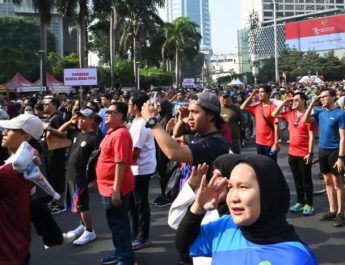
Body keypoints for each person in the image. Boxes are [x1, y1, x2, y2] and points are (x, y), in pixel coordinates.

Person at [175, 154, 319, 265]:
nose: (233, 198)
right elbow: (184, 246)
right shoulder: (225, 226)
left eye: (243, 187)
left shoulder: (296, 257)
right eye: (230, 187)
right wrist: (198, 208)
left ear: (267, 193)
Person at [96, 102, 135, 265]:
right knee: (115, 223)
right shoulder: (112, 132)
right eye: (106, 112)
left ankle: (125, 258)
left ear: (120, 116)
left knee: (119, 224)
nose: (106, 114)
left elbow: (121, 162)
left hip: (114, 188)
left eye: (111, 112)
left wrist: (116, 190)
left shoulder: (120, 135)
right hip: (107, 186)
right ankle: (120, 251)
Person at [302, 89, 345, 227]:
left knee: (338, 182)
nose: (322, 99)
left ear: (333, 97)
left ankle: (340, 213)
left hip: (334, 152)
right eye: (321, 97)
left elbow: (343, 138)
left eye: (325, 96)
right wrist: (312, 103)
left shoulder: (340, 114)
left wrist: (341, 157)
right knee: (327, 181)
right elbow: (304, 120)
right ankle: (332, 210)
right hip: (322, 150)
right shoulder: (319, 112)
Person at [272, 92, 315, 215]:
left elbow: (311, 136)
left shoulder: (309, 117)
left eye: (297, 100)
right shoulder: (290, 114)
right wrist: (284, 103)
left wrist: (310, 153)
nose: (294, 102)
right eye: (293, 100)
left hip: (304, 154)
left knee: (306, 180)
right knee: (297, 180)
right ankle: (300, 202)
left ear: (303, 101)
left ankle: (309, 204)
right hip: (292, 153)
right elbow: (274, 114)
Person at [61, 108, 99, 245]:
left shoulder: (94, 137)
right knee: (76, 204)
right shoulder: (76, 134)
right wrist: (70, 122)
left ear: (91, 120)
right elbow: (60, 132)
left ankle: (89, 231)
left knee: (82, 205)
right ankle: (82, 225)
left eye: (84, 118)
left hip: (82, 176)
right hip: (71, 174)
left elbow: (97, 160)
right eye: (79, 118)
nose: (80, 120)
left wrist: (95, 179)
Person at [128, 91, 157, 250]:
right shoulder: (137, 121)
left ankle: (142, 237)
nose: (128, 106)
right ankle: (135, 233)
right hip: (138, 168)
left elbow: (135, 152)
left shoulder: (140, 125)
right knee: (134, 204)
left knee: (139, 204)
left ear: (136, 106)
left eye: (130, 103)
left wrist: (124, 167)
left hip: (140, 169)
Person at [41, 96, 67, 214]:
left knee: (58, 178)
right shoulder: (50, 117)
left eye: (47, 104)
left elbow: (64, 133)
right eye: (44, 104)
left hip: (56, 153)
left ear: (54, 105)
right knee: (51, 177)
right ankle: (54, 201)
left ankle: (61, 204)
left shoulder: (57, 118)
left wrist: (49, 128)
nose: (44, 106)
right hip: (49, 152)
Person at [240, 85, 280, 161]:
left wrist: (276, 142)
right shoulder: (257, 107)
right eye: (259, 92)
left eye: (262, 92)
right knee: (261, 164)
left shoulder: (273, 107)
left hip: (270, 142)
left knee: (271, 165)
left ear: (268, 94)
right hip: (259, 142)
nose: (260, 94)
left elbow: (276, 126)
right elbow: (242, 107)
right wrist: (251, 96)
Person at [153, 98, 173, 207]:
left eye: (159, 106)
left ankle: (166, 195)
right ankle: (163, 193)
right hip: (158, 150)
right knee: (161, 174)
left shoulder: (168, 119)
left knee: (164, 174)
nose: (157, 108)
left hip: (164, 152)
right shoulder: (160, 118)